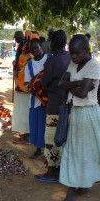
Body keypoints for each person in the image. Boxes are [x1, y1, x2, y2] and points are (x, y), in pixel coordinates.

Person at [59, 34, 100, 201]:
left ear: (86, 50)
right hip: (75, 112)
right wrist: (77, 83)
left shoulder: (93, 65)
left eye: (76, 53)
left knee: (85, 149)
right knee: (75, 149)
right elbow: (61, 84)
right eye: (71, 53)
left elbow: (82, 94)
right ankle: (79, 185)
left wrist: (72, 86)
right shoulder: (73, 64)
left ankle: (77, 187)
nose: (73, 56)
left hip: (88, 113)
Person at [35, 29, 71, 182]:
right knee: (65, 137)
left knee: (51, 138)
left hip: (55, 103)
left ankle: (51, 173)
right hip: (69, 104)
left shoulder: (52, 61)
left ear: (52, 44)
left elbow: (43, 82)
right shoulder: (71, 57)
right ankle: (63, 170)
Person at [24, 38, 50, 159]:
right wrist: (35, 89)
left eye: (36, 47)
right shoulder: (29, 65)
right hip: (35, 100)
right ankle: (39, 149)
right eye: (32, 49)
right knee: (37, 125)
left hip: (49, 100)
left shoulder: (50, 59)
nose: (34, 50)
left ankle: (49, 152)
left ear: (41, 46)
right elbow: (27, 84)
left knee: (48, 125)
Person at [12, 30, 36, 145]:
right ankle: (25, 134)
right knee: (23, 109)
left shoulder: (29, 53)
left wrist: (17, 67)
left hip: (24, 87)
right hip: (22, 85)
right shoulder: (27, 50)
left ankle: (26, 136)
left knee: (24, 110)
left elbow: (25, 66)